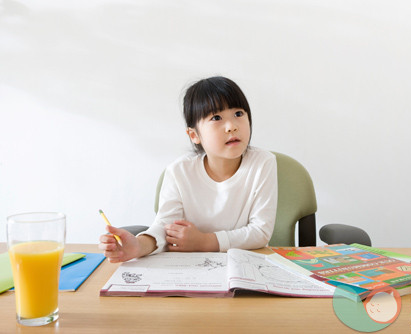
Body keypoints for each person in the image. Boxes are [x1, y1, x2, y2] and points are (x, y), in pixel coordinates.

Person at [99, 76, 278, 263]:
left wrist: (206, 241)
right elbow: (164, 227)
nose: (231, 126)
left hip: (244, 266)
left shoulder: (263, 163)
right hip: (190, 270)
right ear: (194, 135)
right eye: (216, 118)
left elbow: (260, 232)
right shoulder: (179, 172)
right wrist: (138, 246)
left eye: (239, 114)